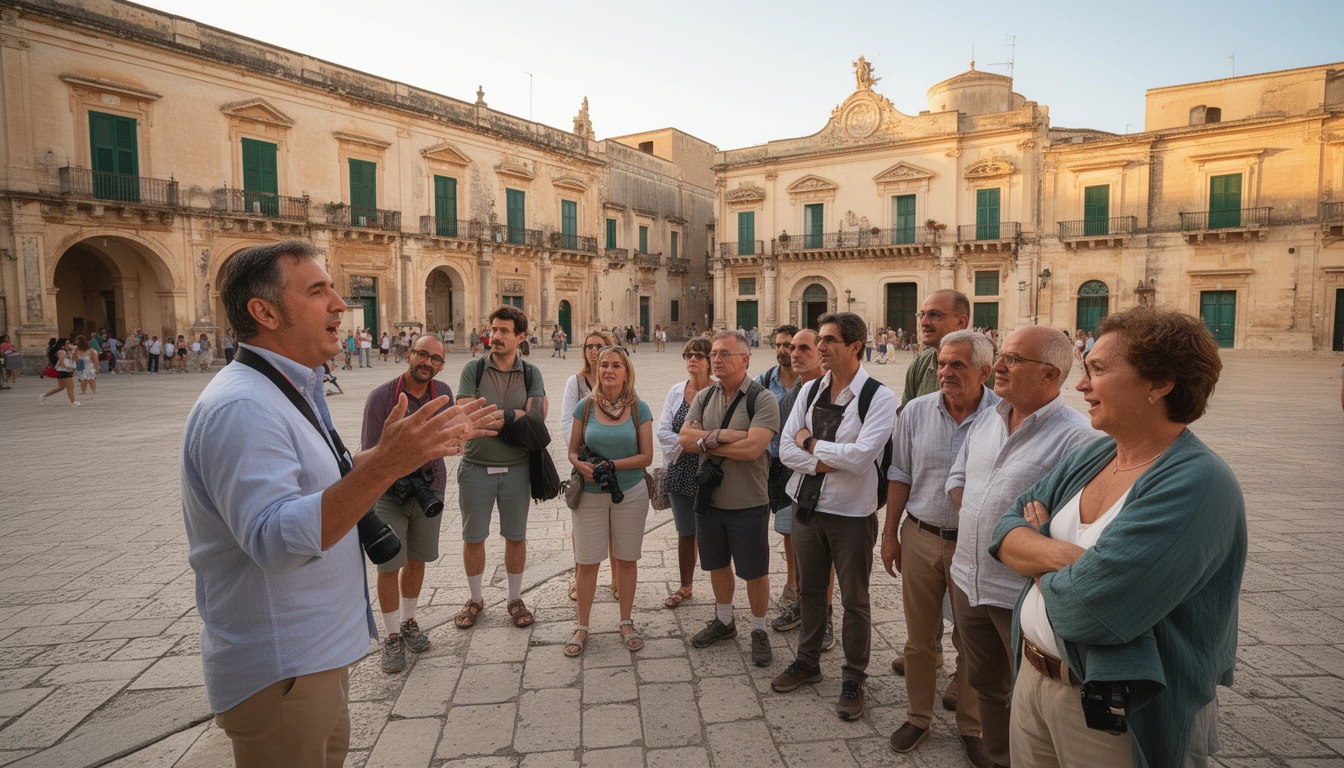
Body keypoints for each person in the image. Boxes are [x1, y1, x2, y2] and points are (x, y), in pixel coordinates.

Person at [181, 239, 500, 766]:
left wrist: (413, 446)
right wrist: (387, 465)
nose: (340, 304)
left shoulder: (289, 390)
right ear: (265, 313)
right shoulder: (242, 406)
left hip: (312, 662)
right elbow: (276, 542)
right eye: (317, 291)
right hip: (283, 671)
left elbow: (327, 477)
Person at [991, 307, 1244, 768]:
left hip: (1116, 707)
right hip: (1033, 679)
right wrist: (1073, 560)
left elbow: (1089, 610)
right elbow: (1004, 532)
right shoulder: (1096, 455)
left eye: (1098, 369)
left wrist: (1038, 549)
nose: (1081, 385)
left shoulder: (1198, 482)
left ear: (1159, 383)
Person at [945, 326, 1100, 767]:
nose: (997, 366)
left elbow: (1078, 529)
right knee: (985, 685)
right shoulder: (987, 419)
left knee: (1029, 691)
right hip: (968, 581)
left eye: (1013, 359)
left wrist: (1031, 536)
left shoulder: (1079, 439)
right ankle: (999, 756)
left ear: (1051, 374)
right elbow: (958, 477)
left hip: (1020, 594)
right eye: (1002, 355)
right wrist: (978, 513)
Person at [772, 312, 897, 722]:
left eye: (829, 340)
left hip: (850, 514)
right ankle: (807, 661)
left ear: (855, 346)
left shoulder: (879, 397)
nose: (820, 347)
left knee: (855, 599)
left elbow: (861, 459)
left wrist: (809, 443)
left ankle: (854, 677)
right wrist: (826, 457)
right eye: (820, 340)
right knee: (809, 590)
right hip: (805, 507)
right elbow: (785, 450)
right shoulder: (809, 390)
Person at [882, 330, 998, 765]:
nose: (945, 372)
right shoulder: (915, 411)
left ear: (984, 371)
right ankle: (918, 716)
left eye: (957, 365)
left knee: (973, 640)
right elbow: (899, 472)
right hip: (921, 536)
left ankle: (972, 725)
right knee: (919, 639)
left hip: (975, 545)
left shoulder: (1002, 415)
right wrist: (889, 534)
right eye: (942, 364)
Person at [894, 289, 976, 714]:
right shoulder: (920, 365)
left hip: (970, 532)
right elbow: (902, 454)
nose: (924, 321)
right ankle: (927, 679)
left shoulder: (992, 394)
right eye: (922, 314)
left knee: (971, 628)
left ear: (962, 321)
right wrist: (890, 532)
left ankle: (967, 692)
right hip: (923, 525)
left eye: (935, 315)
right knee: (920, 628)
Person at [678, 330, 780, 667]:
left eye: (724, 354)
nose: (716, 359)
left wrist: (705, 442)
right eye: (714, 354)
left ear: (745, 359)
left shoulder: (762, 399)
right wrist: (721, 436)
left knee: (754, 571)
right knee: (717, 564)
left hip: (748, 500)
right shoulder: (705, 396)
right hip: (710, 500)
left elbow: (753, 449)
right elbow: (684, 439)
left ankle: (759, 630)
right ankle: (724, 620)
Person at [362, 334, 454, 674]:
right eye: (422, 354)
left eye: (435, 359)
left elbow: (448, 434)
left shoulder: (443, 392)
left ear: (441, 365)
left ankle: (409, 621)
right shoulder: (381, 397)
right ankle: (390, 636)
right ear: (408, 355)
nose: (428, 363)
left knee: (418, 558)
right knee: (389, 564)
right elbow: (368, 451)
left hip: (430, 489)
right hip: (391, 491)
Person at [454, 305, 547, 631]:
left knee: (516, 536)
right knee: (473, 537)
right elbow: (465, 414)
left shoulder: (531, 373)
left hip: (517, 468)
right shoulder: (474, 368)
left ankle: (514, 597)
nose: (495, 336)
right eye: (493, 329)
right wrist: (514, 415)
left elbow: (537, 417)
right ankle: (475, 598)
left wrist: (494, 416)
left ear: (520, 337)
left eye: (504, 331)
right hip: (476, 466)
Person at [564, 345, 654, 656]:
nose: (609, 370)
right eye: (604, 365)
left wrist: (612, 465)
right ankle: (582, 625)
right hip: (590, 495)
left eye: (616, 365)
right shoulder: (585, 407)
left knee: (626, 560)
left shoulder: (639, 408)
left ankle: (626, 621)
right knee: (587, 561)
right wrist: (580, 465)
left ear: (626, 372)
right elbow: (572, 451)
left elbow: (647, 456)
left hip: (630, 493)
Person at [561, 330, 620, 600]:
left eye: (599, 346)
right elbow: (566, 421)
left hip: (614, 461)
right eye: (589, 347)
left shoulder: (620, 378)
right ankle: (579, 580)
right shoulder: (576, 382)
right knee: (582, 525)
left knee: (615, 523)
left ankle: (617, 579)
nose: (594, 352)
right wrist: (578, 454)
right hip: (585, 462)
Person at [656, 336, 713, 608]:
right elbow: (663, 431)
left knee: (713, 532)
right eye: (688, 354)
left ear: (710, 361)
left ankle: (721, 590)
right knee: (685, 532)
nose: (692, 359)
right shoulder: (676, 391)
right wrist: (696, 441)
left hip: (712, 473)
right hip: (680, 471)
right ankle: (685, 585)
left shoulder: (719, 392)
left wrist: (693, 439)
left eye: (699, 355)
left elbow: (722, 433)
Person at [754, 326, 802, 624]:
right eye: (779, 345)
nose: (783, 350)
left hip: (797, 464)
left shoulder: (810, 382)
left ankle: (793, 582)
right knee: (778, 526)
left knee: (794, 527)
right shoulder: (763, 382)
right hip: (768, 463)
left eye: (789, 345)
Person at [41, 337, 79, 406]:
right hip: (64, 371)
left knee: (61, 387)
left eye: (69, 343)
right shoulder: (61, 352)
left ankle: (44, 396)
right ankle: (73, 402)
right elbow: (61, 363)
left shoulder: (67, 351)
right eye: (67, 343)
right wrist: (69, 368)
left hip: (62, 371)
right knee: (70, 387)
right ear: (62, 345)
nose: (69, 345)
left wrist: (72, 351)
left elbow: (75, 357)